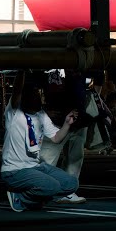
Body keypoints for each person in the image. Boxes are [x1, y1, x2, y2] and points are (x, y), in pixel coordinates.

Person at [1, 70, 81, 212]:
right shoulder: (14, 113)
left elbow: (56, 138)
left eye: (38, 94)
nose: (38, 97)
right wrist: (22, 70)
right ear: (24, 98)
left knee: (71, 184)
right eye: (34, 95)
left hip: (35, 166)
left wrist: (67, 124)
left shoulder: (41, 115)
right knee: (52, 187)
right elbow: (17, 90)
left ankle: (37, 198)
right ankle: (21, 197)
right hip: (15, 170)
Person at [40, 69, 89, 204]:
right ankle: (38, 190)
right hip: (58, 117)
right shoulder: (52, 61)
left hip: (76, 117)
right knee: (48, 158)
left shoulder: (77, 64)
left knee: (73, 158)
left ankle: (66, 191)